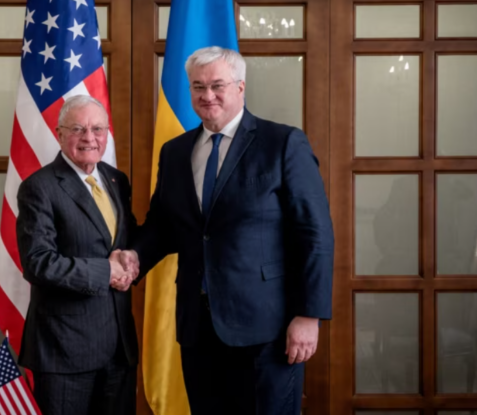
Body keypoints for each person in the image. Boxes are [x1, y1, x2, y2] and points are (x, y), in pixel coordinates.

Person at [120, 46, 335, 414]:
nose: (208, 95)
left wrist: (308, 315)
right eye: (198, 87)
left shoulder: (282, 143)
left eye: (217, 85)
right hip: (197, 328)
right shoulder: (174, 152)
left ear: (240, 87)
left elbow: (315, 235)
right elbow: (163, 226)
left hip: (267, 329)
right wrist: (134, 256)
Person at [15, 95, 139, 415]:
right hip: (64, 352)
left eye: (98, 129)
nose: (89, 138)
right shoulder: (39, 187)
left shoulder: (117, 180)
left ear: (107, 133)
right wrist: (106, 272)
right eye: (78, 129)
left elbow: (125, 241)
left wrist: (134, 257)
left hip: (119, 349)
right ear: (59, 134)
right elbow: (38, 262)